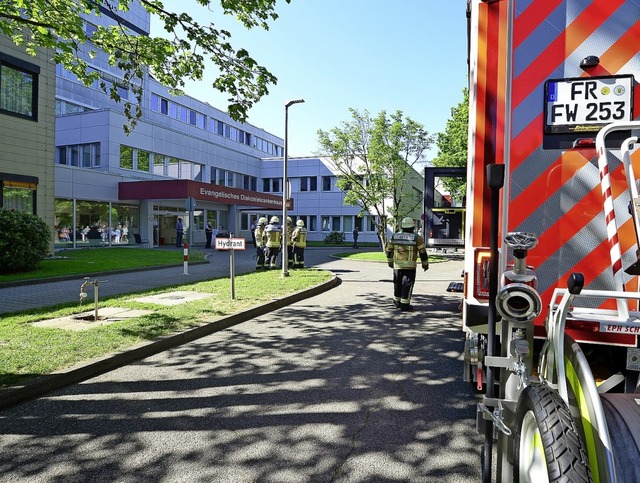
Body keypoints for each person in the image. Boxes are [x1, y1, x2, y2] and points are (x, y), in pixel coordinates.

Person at [385, 217, 429, 311]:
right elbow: (423, 253)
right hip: (410, 266)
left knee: (397, 283)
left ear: (402, 227)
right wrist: (425, 264)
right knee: (407, 285)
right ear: (413, 227)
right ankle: (405, 305)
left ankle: (397, 302)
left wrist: (390, 262)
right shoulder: (417, 238)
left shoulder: (394, 236)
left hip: (397, 265)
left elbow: (389, 251)